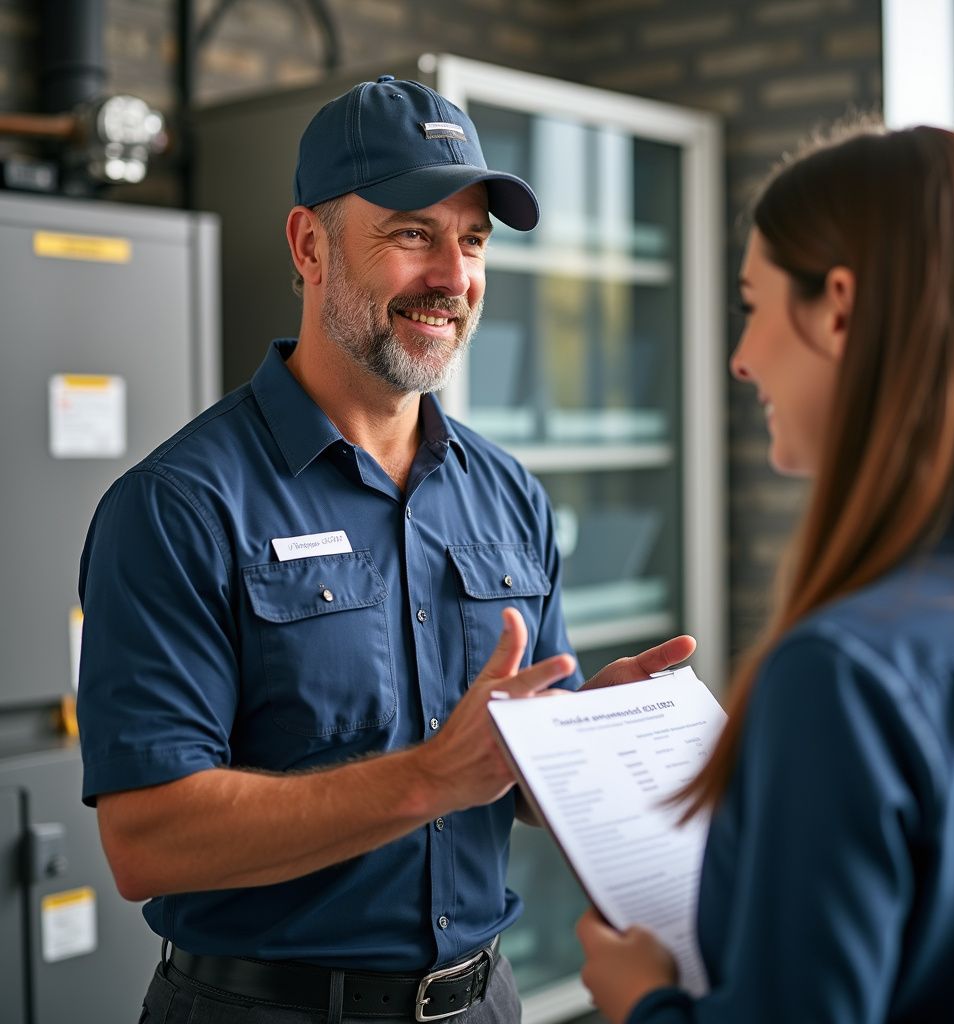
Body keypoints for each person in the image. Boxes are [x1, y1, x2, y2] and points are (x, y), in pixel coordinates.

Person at [77, 75, 695, 1024]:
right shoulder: (177, 507)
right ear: (309, 245)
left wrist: (584, 744)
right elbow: (146, 839)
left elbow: (511, 778)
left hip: (484, 1002)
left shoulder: (510, 495)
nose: (454, 275)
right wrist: (425, 778)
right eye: (413, 233)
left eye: (474, 240)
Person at [576, 122, 954, 1024]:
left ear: (839, 309)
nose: (740, 358)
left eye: (751, 303)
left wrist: (641, 1001)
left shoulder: (841, 674)